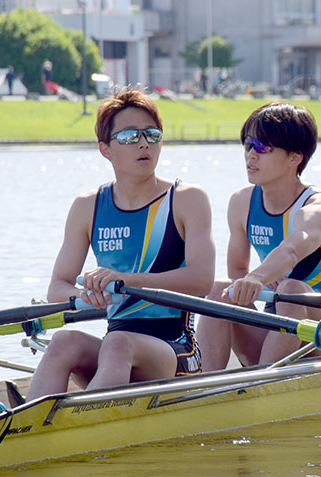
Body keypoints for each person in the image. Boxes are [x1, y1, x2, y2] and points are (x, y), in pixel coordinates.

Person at [26, 86, 215, 400]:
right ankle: (26, 431)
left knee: (119, 343)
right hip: (117, 350)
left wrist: (124, 281)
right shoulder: (88, 206)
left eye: (152, 134)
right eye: (129, 137)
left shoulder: (187, 199)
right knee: (63, 341)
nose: (143, 143)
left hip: (177, 351)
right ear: (105, 149)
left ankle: (83, 426)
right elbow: (57, 288)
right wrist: (86, 294)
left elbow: (201, 281)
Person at [195, 101, 321, 371]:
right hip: (274, 329)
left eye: (263, 147)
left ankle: (260, 387)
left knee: (291, 289)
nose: (251, 155)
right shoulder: (242, 202)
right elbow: (237, 272)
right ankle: (203, 384)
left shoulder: (319, 210)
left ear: (294, 158)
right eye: (248, 145)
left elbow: (290, 251)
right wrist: (250, 281)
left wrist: (258, 278)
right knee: (219, 289)